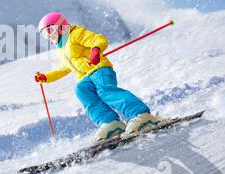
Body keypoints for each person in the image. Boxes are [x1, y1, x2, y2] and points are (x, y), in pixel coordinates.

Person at [35, 12, 160, 143]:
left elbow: (99, 39)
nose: (48, 36)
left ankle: (141, 114)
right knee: (81, 89)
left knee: (105, 91)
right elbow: (64, 68)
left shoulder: (76, 33)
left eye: (50, 30)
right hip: (87, 76)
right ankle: (111, 123)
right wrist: (46, 77)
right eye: (44, 33)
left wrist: (95, 50)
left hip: (99, 68)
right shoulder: (61, 49)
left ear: (62, 26)